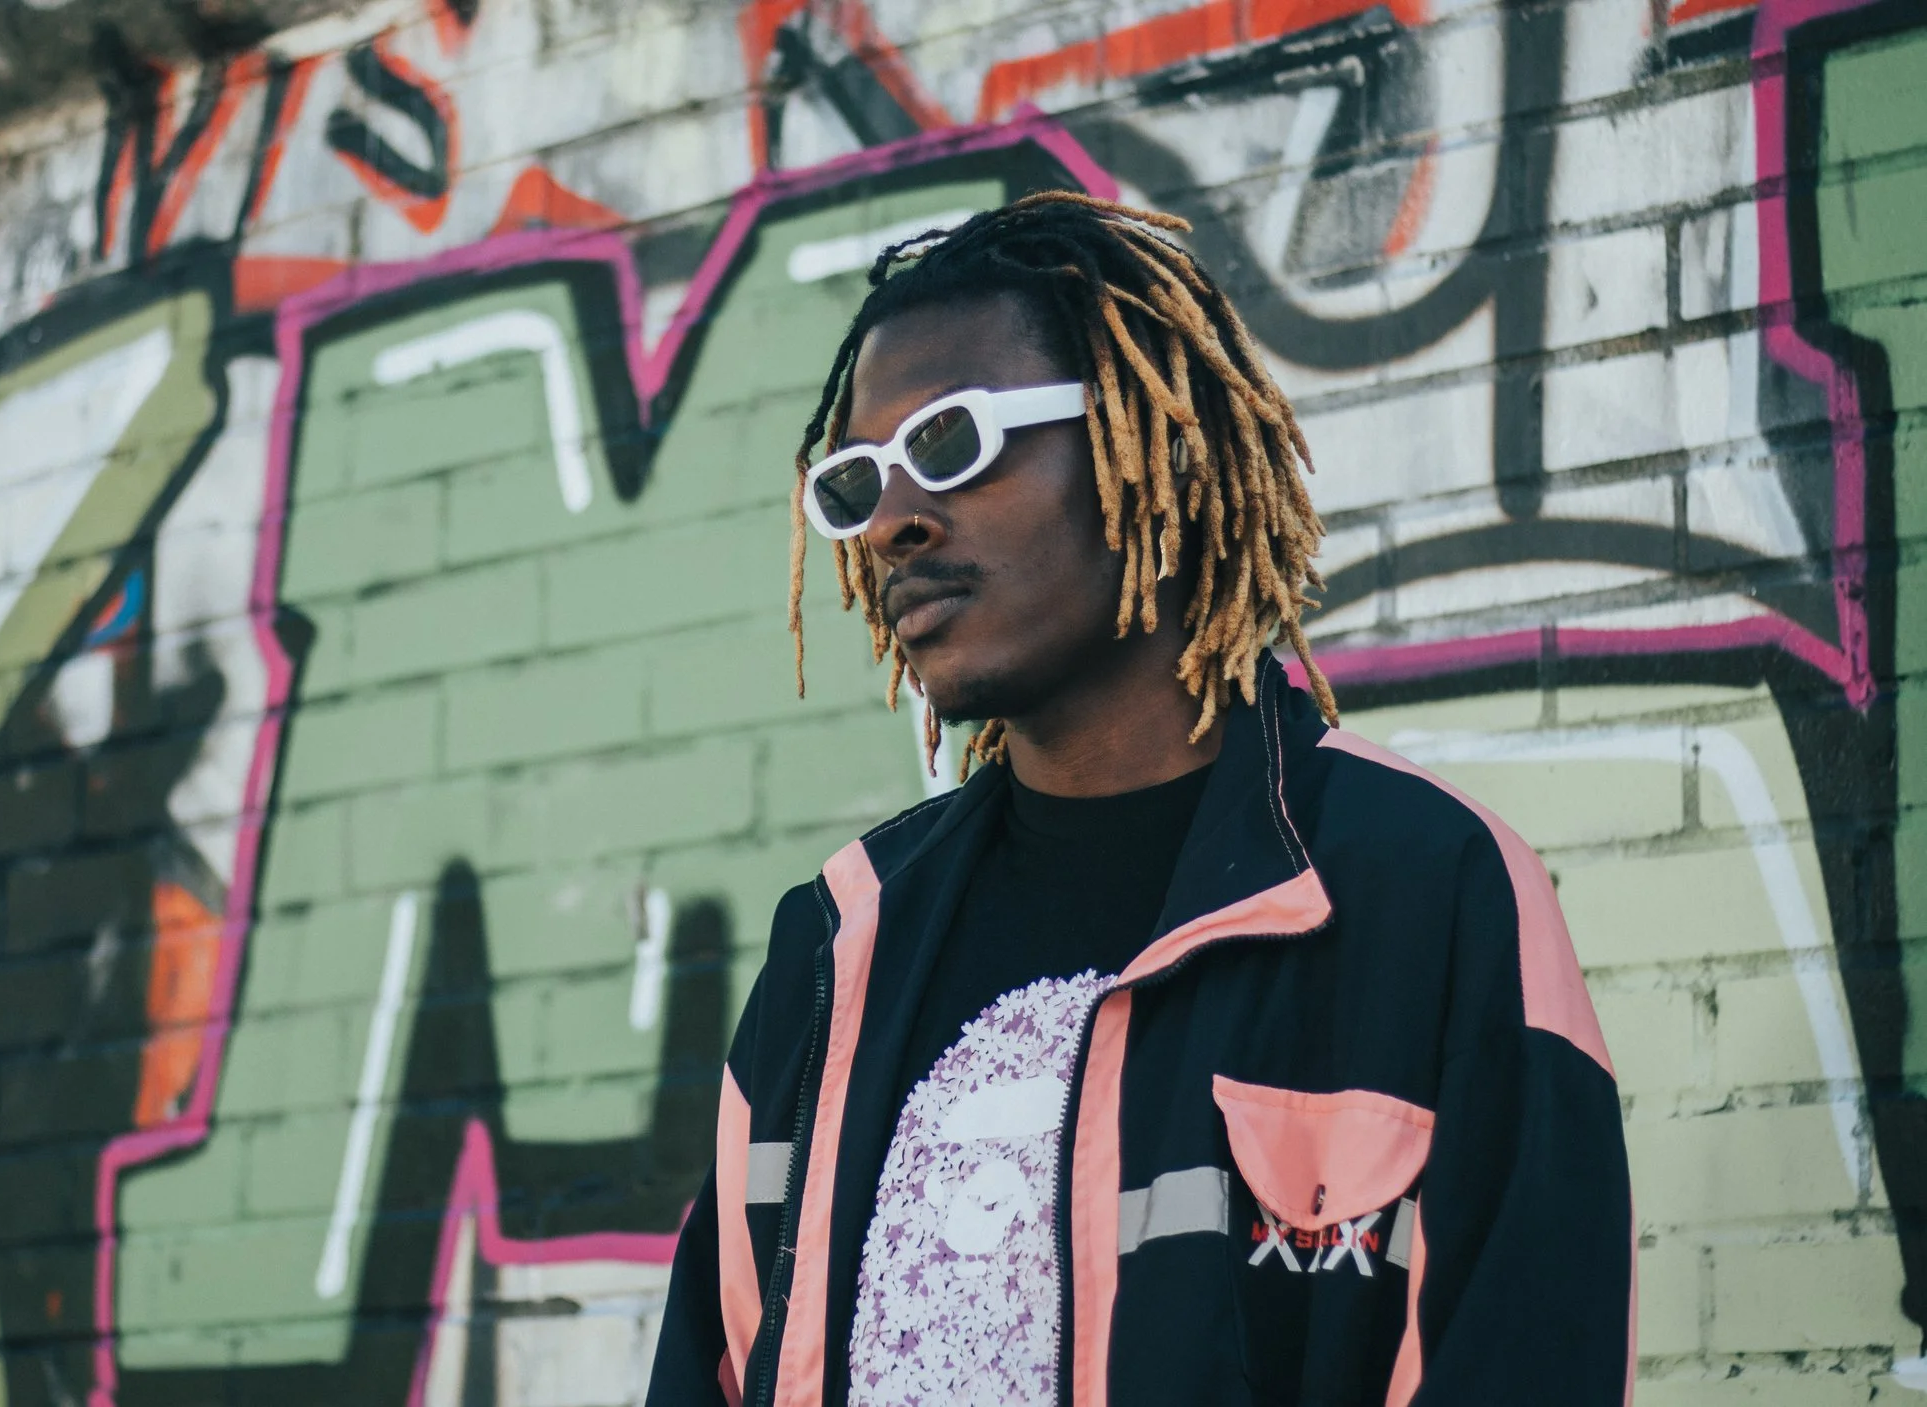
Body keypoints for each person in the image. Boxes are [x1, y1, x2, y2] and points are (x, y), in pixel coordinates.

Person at [643, 191, 1633, 1407]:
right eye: (854, 484)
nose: (893, 522)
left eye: (950, 443)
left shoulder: (1425, 898)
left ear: (1148, 450)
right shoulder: (835, 948)